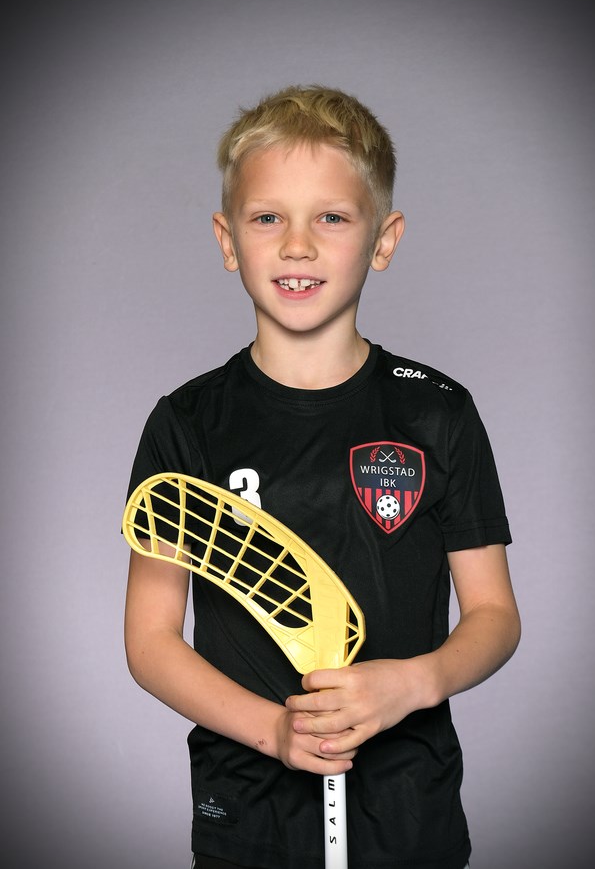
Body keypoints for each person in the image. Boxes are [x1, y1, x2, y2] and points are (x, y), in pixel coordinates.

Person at [124, 85, 521, 869]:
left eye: (332, 218)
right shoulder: (188, 422)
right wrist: (274, 730)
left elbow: (494, 615)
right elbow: (151, 640)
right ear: (228, 239)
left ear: (383, 239)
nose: (298, 245)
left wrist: (414, 683)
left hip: (409, 810)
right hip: (248, 809)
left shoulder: (438, 413)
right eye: (267, 218)